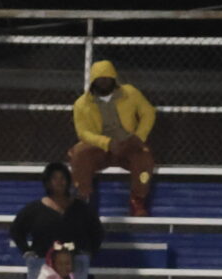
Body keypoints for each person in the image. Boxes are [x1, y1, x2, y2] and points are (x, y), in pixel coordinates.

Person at [66, 59, 160, 216]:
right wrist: (107, 143)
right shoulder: (82, 104)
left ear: (114, 79)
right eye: (100, 79)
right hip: (99, 146)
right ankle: (83, 198)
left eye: (107, 78)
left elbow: (148, 112)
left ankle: (137, 201)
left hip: (127, 142)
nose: (104, 82)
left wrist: (139, 136)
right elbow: (83, 132)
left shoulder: (130, 93)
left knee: (144, 157)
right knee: (79, 155)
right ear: (93, 81)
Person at [7, 161, 104, 279]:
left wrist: (88, 252)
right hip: (42, 262)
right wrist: (27, 251)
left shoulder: (81, 208)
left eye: (62, 178)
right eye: (54, 178)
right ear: (47, 182)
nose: (59, 182)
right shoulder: (34, 209)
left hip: (75, 262)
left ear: (68, 181)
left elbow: (97, 232)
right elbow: (16, 230)